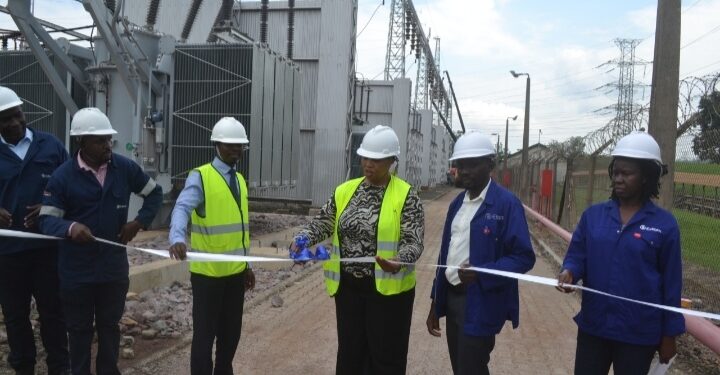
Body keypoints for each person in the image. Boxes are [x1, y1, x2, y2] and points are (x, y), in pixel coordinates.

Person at [291, 125, 424, 375]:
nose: (368, 164)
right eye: (365, 157)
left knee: (386, 358)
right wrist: (303, 238)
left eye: (376, 159)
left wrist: (401, 260)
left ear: (391, 161)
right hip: (349, 289)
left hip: (387, 293)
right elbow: (325, 221)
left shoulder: (406, 195)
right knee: (351, 355)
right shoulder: (345, 191)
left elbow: (414, 239)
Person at [38, 107, 162, 375]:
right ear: (80, 142)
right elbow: (46, 220)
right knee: (79, 330)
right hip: (76, 272)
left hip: (112, 270)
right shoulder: (63, 177)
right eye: (100, 140)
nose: (108, 145)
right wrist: (70, 227)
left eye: (109, 139)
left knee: (109, 326)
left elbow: (154, 194)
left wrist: (139, 222)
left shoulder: (124, 168)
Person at [556, 131, 685, 374]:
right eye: (615, 172)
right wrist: (570, 272)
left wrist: (669, 335)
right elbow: (578, 254)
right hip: (595, 327)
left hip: (638, 334)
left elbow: (671, 285)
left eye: (627, 173)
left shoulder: (664, 225)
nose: (618, 178)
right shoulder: (593, 216)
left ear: (647, 177)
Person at [426, 131, 535, 375]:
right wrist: (436, 302)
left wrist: (483, 273)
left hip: (480, 302)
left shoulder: (506, 204)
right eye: (460, 165)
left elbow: (524, 256)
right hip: (453, 298)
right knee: (461, 367)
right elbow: (446, 256)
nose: (464, 171)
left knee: (471, 367)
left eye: (472, 165)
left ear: (490, 165)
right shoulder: (457, 204)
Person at [168, 117, 256, 375]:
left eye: (240, 146)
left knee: (231, 336)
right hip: (208, 276)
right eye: (230, 145)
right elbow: (182, 207)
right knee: (204, 338)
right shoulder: (201, 177)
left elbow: (241, 231)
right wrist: (177, 238)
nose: (236, 150)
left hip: (235, 275)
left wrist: (247, 265)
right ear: (216, 145)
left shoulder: (239, 180)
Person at [0, 86, 70, 375]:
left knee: (53, 315)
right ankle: (24, 368)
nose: (15, 123)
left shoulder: (50, 146)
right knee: (16, 318)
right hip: (8, 255)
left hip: (47, 251)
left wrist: (50, 208)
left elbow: (71, 188)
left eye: (17, 115)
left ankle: (59, 368)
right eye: (5, 119)